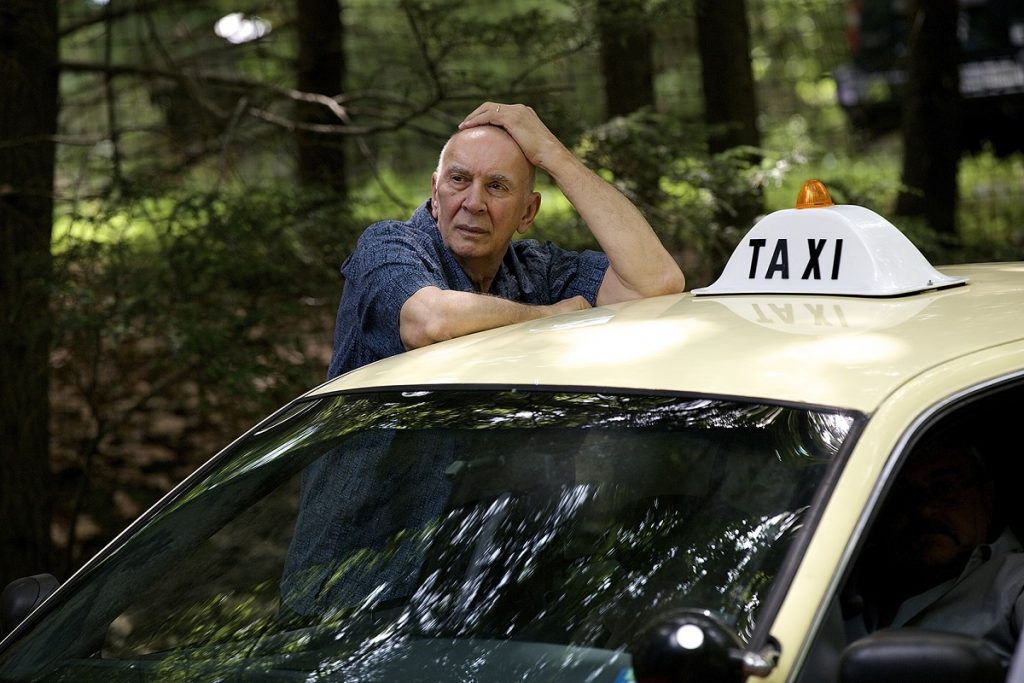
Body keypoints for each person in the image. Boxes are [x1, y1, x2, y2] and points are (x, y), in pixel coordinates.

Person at [326, 102, 685, 379]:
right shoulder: (387, 246)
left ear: (528, 213)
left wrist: (553, 154)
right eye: (459, 180)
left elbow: (655, 282)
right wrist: (550, 317)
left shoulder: (538, 271)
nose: (474, 203)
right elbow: (431, 324)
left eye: (496, 186)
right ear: (435, 193)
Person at [843, 426, 1024, 664]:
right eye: (904, 496)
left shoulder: (1014, 582)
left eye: (944, 488)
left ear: (986, 496)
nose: (924, 511)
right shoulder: (842, 577)